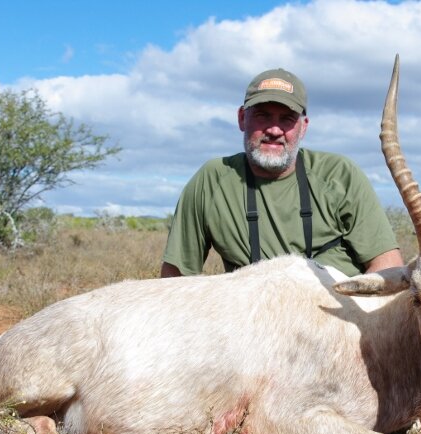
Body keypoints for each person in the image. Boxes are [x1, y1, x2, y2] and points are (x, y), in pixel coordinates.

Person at [161, 67, 403, 278]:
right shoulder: (212, 179)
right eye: (262, 116)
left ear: (303, 128)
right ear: (242, 118)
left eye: (287, 119)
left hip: (337, 320)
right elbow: (176, 279)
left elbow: (387, 266)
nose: (275, 129)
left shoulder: (339, 175)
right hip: (254, 322)